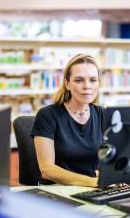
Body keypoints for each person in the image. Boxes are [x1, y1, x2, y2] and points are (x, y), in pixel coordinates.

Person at [31, 53, 103, 187]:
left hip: (93, 189)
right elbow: (47, 170)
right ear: (67, 83)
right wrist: (92, 182)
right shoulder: (48, 115)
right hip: (57, 190)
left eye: (93, 80)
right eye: (79, 80)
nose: (87, 86)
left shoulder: (102, 114)